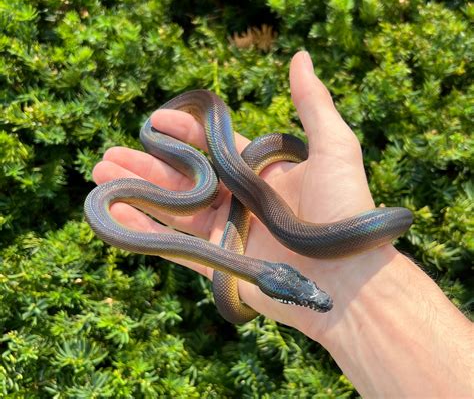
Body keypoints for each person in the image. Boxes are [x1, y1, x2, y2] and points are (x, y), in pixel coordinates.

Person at [91, 51, 473, 398]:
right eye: (300, 293)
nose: (310, 296)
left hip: (259, 231)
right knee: (204, 190)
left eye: (300, 292)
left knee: (216, 188)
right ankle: (166, 147)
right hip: (244, 226)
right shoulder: (228, 222)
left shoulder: (248, 244)